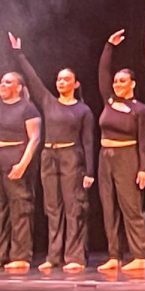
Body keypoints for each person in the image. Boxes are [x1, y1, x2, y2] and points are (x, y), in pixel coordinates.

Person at [9, 33, 95, 273]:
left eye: (66, 80)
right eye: (59, 79)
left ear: (75, 84)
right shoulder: (48, 101)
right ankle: (54, 256)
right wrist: (18, 53)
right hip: (49, 157)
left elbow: (88, 142)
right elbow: (33, 79)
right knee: (52, 208)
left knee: (73, 207)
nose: (61, 83)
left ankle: (75, 256)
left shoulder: (83, 110)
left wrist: (89, 171)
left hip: (71, 158)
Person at [95, 30, 145, 273]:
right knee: (108, 207)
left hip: (127, 157)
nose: (117, 84)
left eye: (123, 81)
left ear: (133, 84)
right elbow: (102, 74)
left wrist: (143, 168)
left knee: (131, 206)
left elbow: (143, 141)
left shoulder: (140, 110)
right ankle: (114, 255)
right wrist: (109, 46)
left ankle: (139, 255)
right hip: (104, 157)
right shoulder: (109, 101)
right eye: (116, 81)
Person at [0, 71, 40, 273]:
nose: (3, 85)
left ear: (18, 87)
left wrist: (23, 164)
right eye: (2, 82)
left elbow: (34, 138)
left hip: (16, 157)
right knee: (1, 210)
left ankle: (20, 256)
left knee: (20, 208)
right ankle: (1, 254)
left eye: (8, 82)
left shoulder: (27, 108)